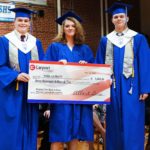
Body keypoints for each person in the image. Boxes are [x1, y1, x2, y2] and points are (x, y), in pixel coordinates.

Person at [95, 2, 150, 150]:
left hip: (132, 87)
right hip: (112, 86)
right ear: (112, 20)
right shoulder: (105, 40)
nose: (118, 19)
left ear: (127, 18)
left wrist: (144, 88)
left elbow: (145, 63)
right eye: (115, 17)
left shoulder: (137, 39)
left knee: (133, 120)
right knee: (113, 121)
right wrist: (99, 90)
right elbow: (100, 65)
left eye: (121, 16)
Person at [44, 11, 94, 150]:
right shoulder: (55, 47)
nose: (70, 28)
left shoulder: (84, 49)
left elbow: (94, 74)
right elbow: (45, 70)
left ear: (77, 28)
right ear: (63, 28)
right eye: (67, 26)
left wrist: (87, 66)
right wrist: (56, 65)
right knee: (57, 133)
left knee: (75, 133)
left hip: (79, 98)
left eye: (73, 25)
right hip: (61, 98)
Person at [0, 7, 44, 150]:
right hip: (13, 91)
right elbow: (0, 66)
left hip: (31, 92)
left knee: (31, 124)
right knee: (12, 125)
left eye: (26, 21)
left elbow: (43, 66)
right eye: (20, 20)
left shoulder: (36, 43)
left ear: (29, 23)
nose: (23, 23)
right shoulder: (5, 41)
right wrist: (15, 76)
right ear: (14, 22)